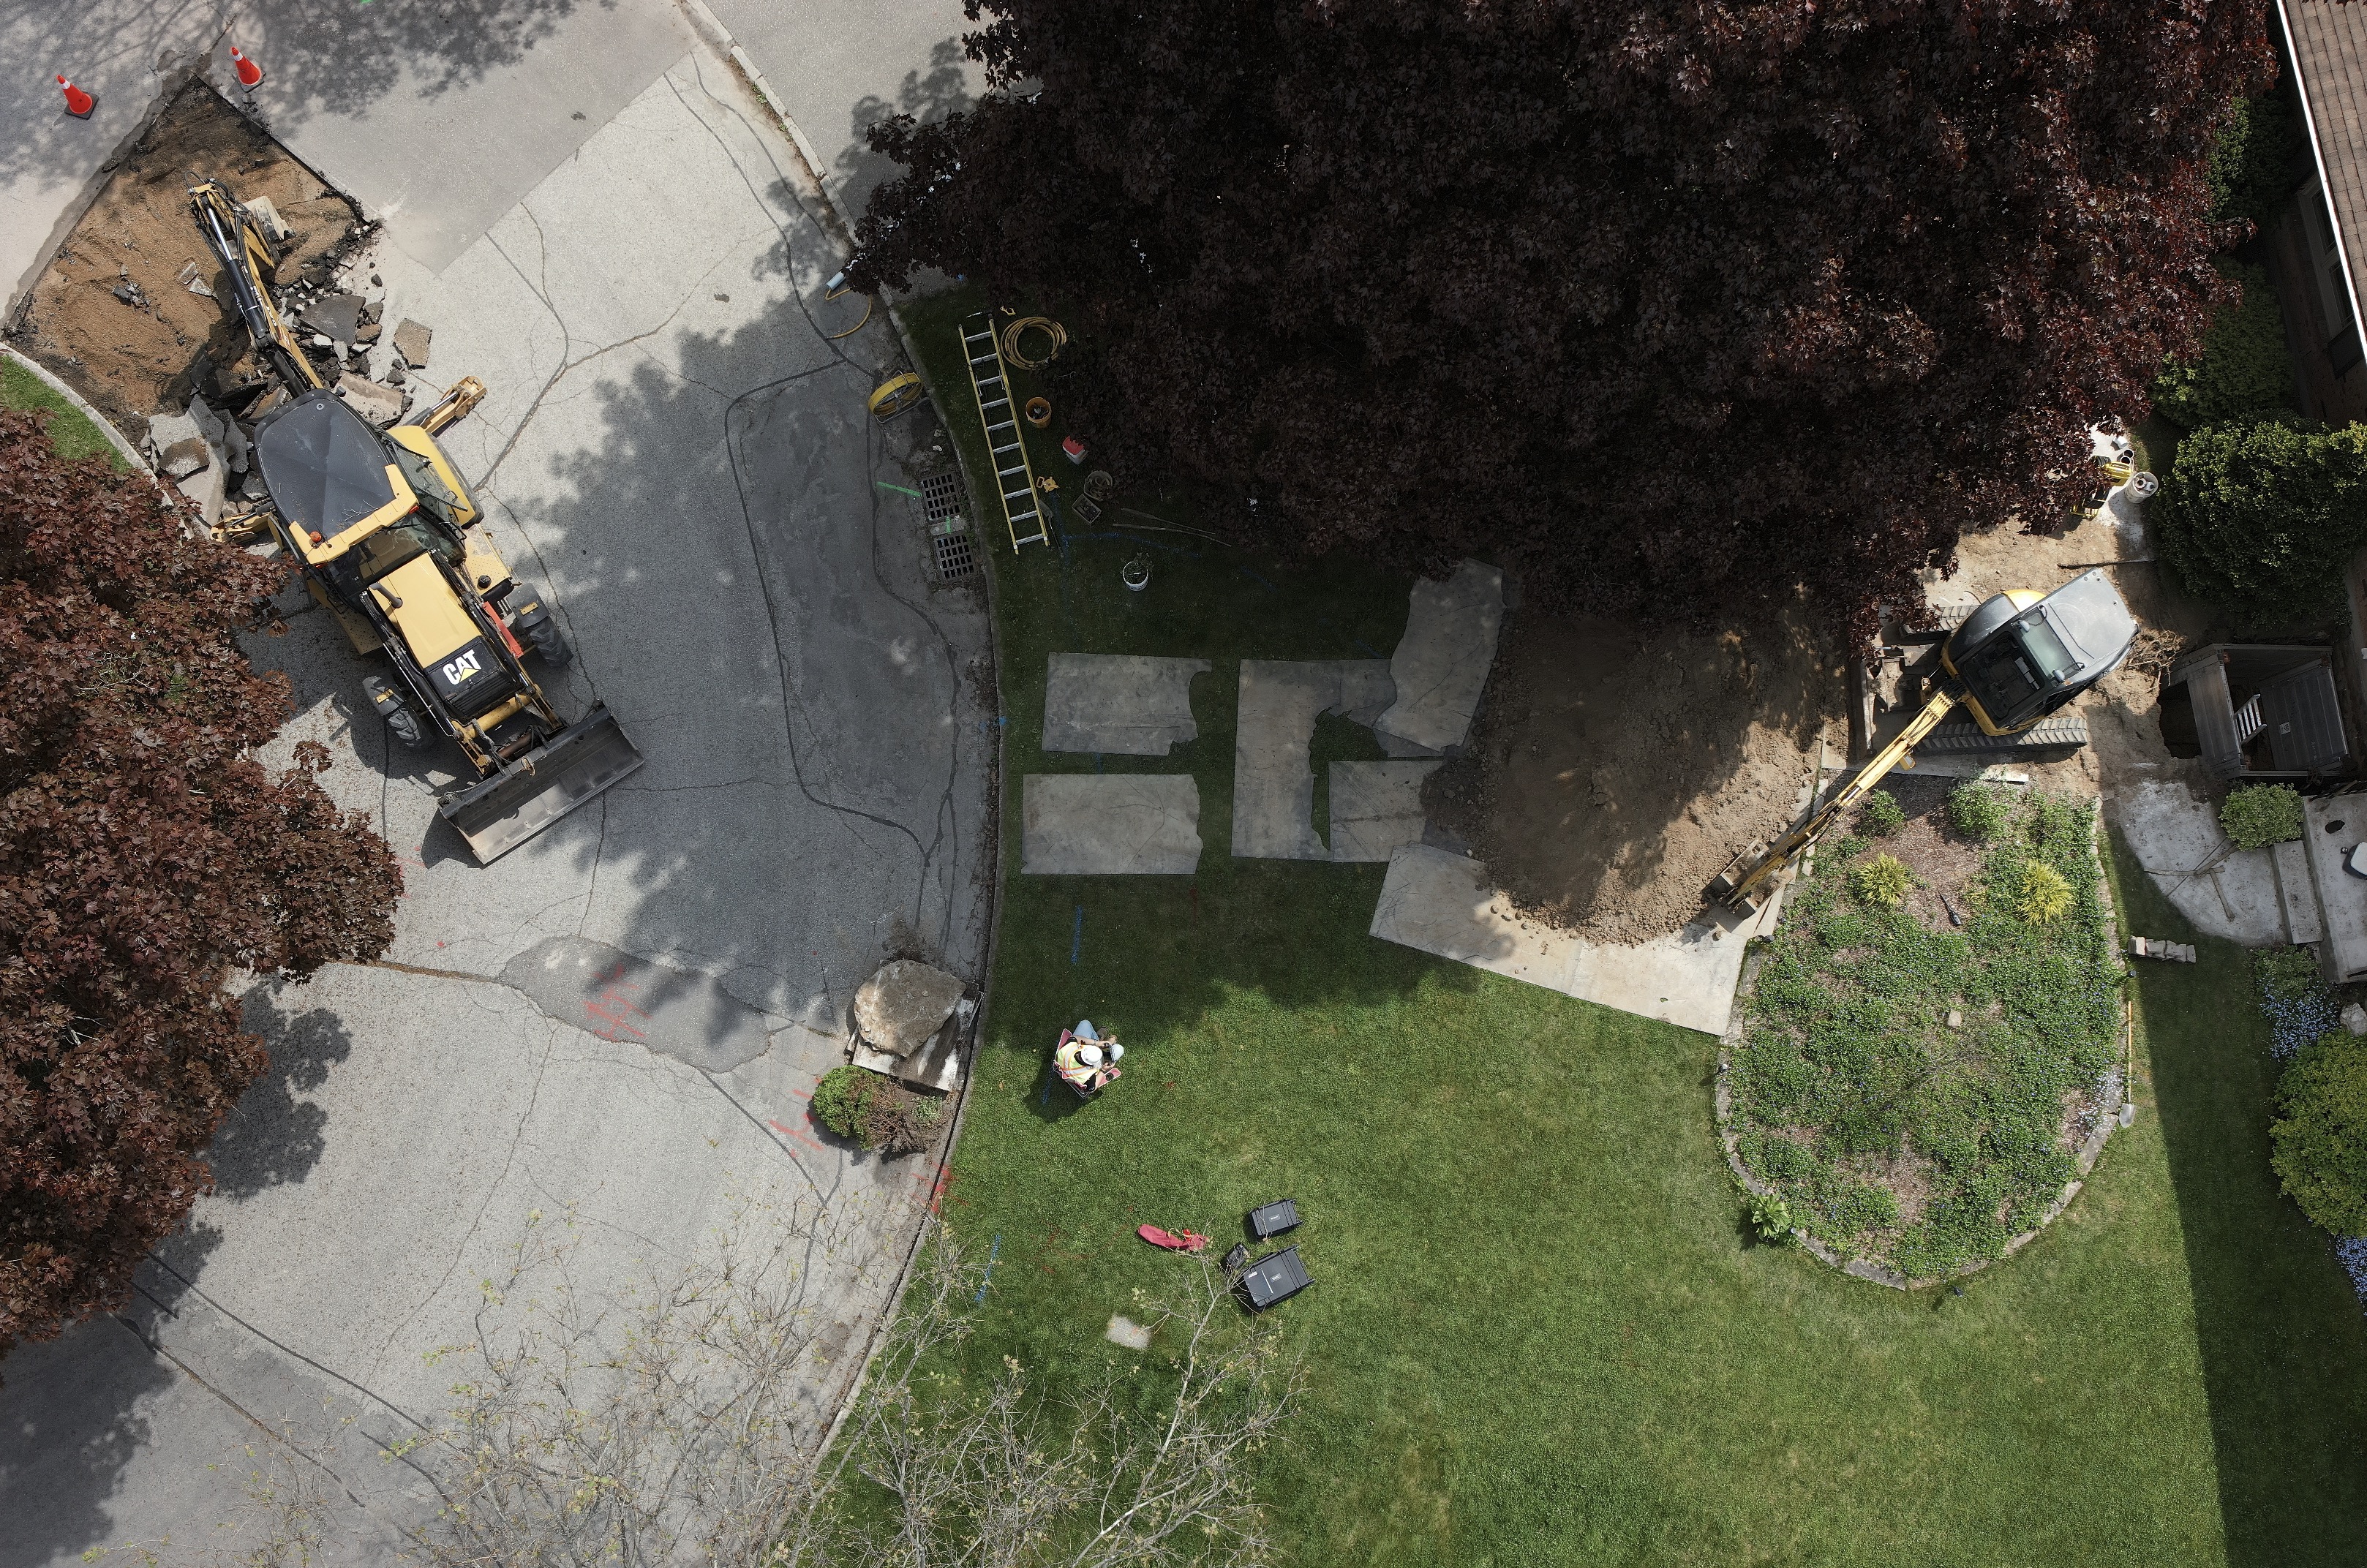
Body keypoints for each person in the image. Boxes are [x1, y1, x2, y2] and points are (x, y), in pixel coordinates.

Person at [1055, 1019, 1125, 1093]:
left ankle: (1098, 1039)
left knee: (1085, 1023)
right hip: (1083, 1070)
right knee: (1120, 1049)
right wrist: (1103, 1070)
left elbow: (1075, 1038)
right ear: (1091, 1064)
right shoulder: (1087, 1077)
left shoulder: (1065, 1050)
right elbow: (1092, 1089)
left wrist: (1096, 1043)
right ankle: (1108, 1042)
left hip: (1067, 1063)